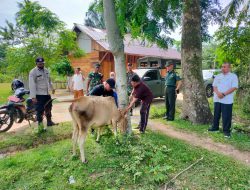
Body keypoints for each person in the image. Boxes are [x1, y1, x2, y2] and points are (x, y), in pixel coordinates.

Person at [208, 62, 238, 138]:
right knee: (216, 114)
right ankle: (215, 128)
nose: (223, 68)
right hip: (217, 99)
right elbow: (214, 86)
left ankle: (226, 131)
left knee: (226, 116)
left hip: (227, 100)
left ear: (229, 68)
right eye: (222, 67)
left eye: (224, 67)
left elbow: (234, 87)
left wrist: (224, 94)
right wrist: (218, 93)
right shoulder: (218, 76)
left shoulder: (233, 76)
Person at [29, 57, 57, 133]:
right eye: (39, 63)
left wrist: (52, 88)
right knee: (40, 111)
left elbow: (49, 80)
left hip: (47, 94)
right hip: (39, 95)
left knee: (49, 108)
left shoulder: (46, 70)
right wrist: (33, 97)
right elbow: (32, 84)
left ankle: (49, 122)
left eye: (42, 63)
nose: (41, 64)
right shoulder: (33, 72)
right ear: (36, 64)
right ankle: (40, 127)